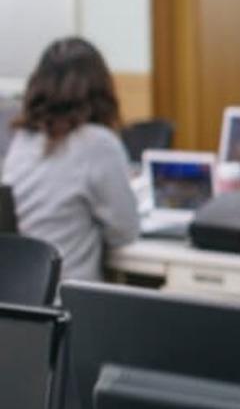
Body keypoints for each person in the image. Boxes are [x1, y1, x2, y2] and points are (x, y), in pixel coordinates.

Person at [0, 37, 140, 283]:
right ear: (100, 88)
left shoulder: (23, 139)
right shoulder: (97, 143)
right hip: (73, 298)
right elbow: (125, 232)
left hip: (24, 296)